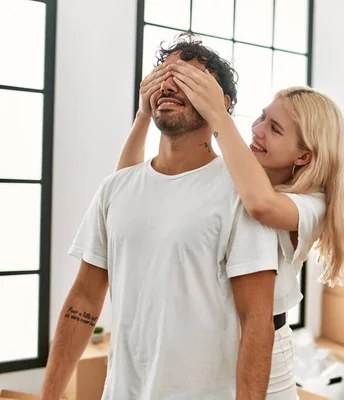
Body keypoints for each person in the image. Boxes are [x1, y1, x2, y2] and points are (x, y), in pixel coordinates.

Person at [41, 35, 281, 399]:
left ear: (222, 103)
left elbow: (257, 321)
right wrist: (49, 395)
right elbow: (84, 300)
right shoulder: (116, 188)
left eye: (188, 78)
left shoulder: (241, 194)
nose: (169, 84)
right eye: (163, 75)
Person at [116, 34, 344, 398]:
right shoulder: (237, 177)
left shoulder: (311, 203)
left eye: (274, 129)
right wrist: (143, 116)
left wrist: (217, 114)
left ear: (304, 155)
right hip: (215, 345)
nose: (256, 130)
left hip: (266, 353)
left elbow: (260, 205)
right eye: (261, 117)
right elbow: (127, 191)